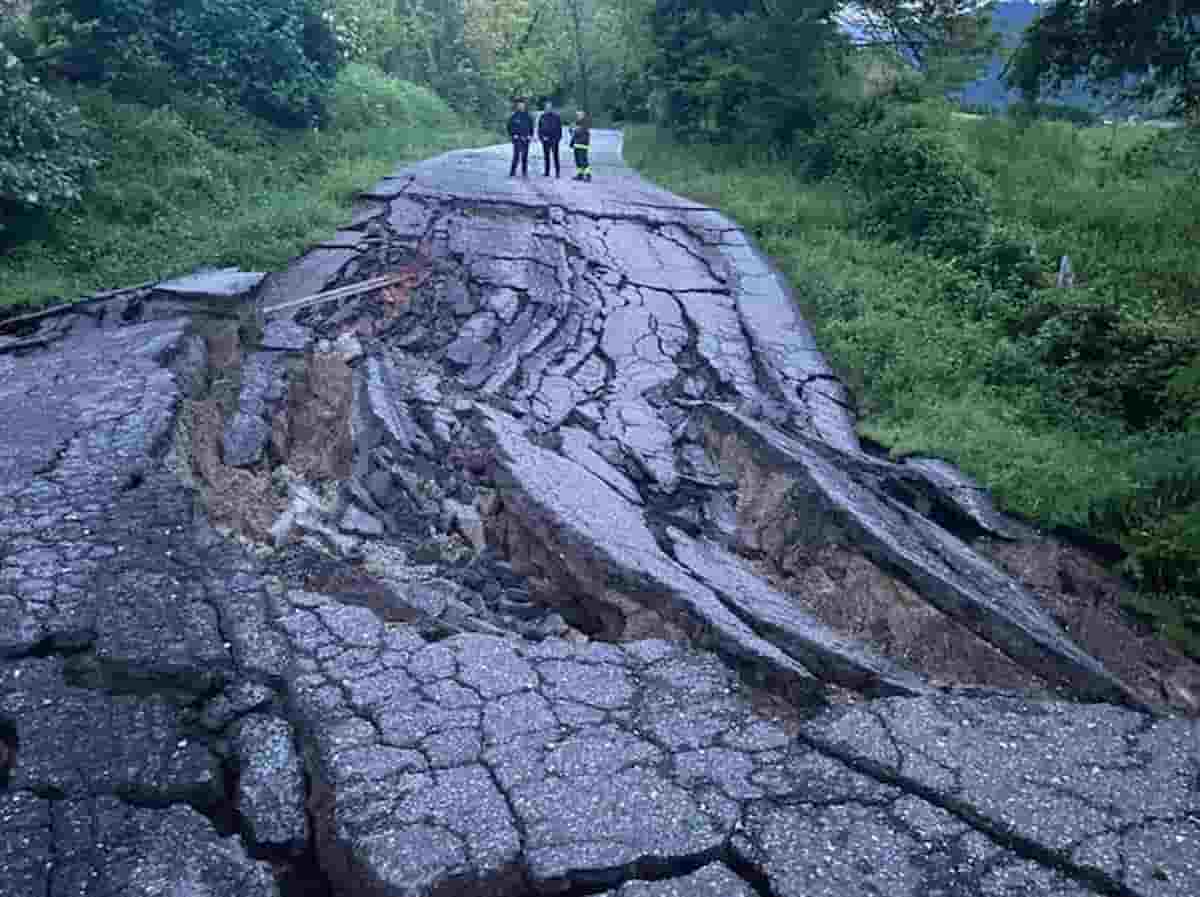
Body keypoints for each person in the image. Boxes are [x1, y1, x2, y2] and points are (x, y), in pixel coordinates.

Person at [507, 98, 533, 177]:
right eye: (519, 105)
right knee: (516, 156)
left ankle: (524, 172)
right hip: (517, 138)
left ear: (525, 106)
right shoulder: (514, 116)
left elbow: (531, 127)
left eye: (522, 105)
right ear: (517, 106)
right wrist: (513, 134)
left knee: (525, 156)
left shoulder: (528, 116)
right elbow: (509, 127)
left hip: (525, 138)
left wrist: (530, 135)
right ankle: (512, 172)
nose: (521, 106)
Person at [537, 100, 563, 178]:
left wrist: (557, 139)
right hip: (545, 140)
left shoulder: (556, 117)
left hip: (554, 140)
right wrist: (541, 138)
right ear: (545, 108)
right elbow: (540, 129)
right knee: (546, 157)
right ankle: (547, 172)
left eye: (549, 107)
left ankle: (557, 173)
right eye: (546, 107)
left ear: (551, 108)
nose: (548, 108)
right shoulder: (542, 116)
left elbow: (559, 129)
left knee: (556, 156)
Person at [570, 110, 591, 182]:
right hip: (576, 144)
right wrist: (571, 129)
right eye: (577, 115)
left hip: (583, 145)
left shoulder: (585, 123)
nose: (578, 116)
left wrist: (575, 129)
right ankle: (580, 174)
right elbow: (573, 133)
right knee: (578, 161)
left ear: (583, 116)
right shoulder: (576, 123)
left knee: (584, 161)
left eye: (580, 115)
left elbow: (580, 132)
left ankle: (588, 175)